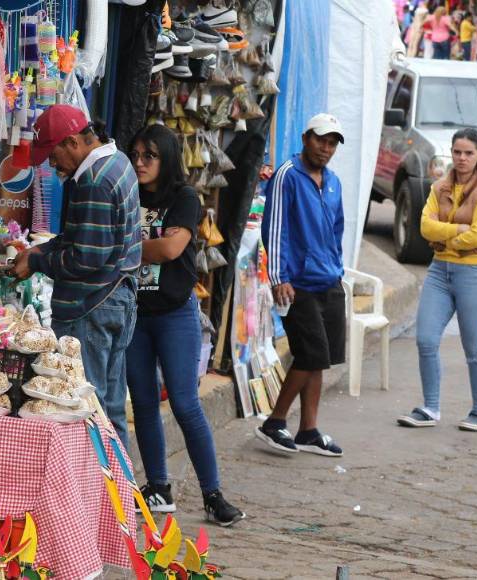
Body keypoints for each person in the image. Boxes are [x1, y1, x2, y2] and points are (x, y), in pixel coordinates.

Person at [123, 125, 244, 527]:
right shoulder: (127, 193)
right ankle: (159, 487)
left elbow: (172, 247)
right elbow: (158, 245)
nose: (140, 162)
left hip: (175, 315)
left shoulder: (185, 197)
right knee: (142, 404)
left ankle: (214, 495)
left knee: (185, 403)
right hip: (135, 315)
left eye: (150, 156)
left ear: (168, 159)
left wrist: (120, 248)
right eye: (136, 154)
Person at [12, 104, 142, 447]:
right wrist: (40, 251)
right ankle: (120, 496)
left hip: (92, 308)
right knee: (109, 408)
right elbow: (84, 240)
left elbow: (87, 258)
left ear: (73, 142)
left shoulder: (94, 182)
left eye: (53, 155)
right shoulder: (119, 162)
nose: (52, 165)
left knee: (83, 408)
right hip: (116, 299)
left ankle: (94, 495)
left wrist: (37, 263)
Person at [398, 128, 477, 432]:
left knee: (474, 347)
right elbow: (424, 226)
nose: (462, 158)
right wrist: (457, 232)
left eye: (468, 153)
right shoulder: (439, 187)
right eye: (457, 152)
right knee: (426, 339)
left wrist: (445, 233)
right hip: (439, 271)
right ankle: (430, 408)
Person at [254, 113, 346, 458]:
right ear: (306, 138)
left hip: (329, 278)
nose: (326, 147)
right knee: (309, 354)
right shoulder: (287, 176)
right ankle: (275, 421)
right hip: (297, 282)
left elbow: (336, 228)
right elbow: (274, 228)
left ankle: (308, 429)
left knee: (320, 358)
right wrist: (279, 277)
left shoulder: (333, 181)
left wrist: (338, 268)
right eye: (321, 139)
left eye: (333, 142)